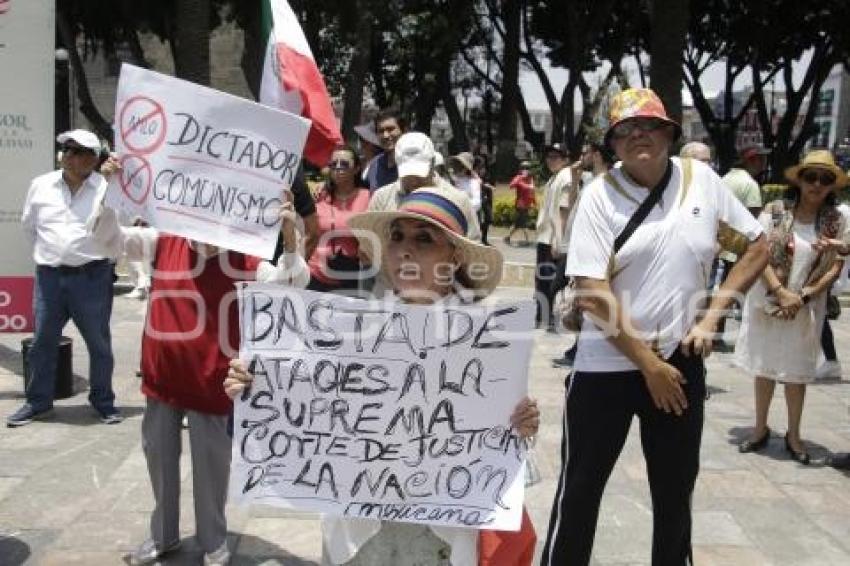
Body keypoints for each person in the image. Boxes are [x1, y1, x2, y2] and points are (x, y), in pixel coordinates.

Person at [225, 184, 540, 566]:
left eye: (424, 239)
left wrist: (522, 427)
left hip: (442, 538)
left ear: (454, 256)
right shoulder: (348, 324)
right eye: (396, 237)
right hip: (361, 539)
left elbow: (504, 458)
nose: (404, 249)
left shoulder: (489, 342)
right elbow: (300, 393)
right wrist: (257, 386)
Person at [541, 88, 767, 566]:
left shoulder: (700, 179)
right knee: (579, 490)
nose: (636, 136)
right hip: (606, 363)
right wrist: (648, 365)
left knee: (674, 493)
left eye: (647, 126)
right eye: (624, 130)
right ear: (613, 144)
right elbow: (590, 290)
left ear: (669, 132)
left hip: (680, 362)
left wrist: (712, 315)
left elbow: (758, 244)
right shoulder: (599, 197)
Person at [118, 188, 308, 566]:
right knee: (159, 458)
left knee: (211, 466)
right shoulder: (162, 241)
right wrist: (110, 189)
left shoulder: (245, 258)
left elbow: (291, 284)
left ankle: (213, 539)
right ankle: (163, 536)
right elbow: (108, 240)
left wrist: (290, 240)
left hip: (211, 380)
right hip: (162, 377)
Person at [735, 150, 850, 465]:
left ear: (832, 186)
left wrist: (803, 296)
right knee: (765, 367)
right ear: (799, 179)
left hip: (806, 307)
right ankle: (759, 428)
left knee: (796, 374)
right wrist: (780, 291)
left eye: (824, 179)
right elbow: (757, 252)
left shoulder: (836, 220)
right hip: (770, 301)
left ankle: (794, 434)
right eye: (810, 176)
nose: (816, 184)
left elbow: (836, 265)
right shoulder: (775, 211)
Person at [8, 129, 123, 427]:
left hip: (92, 278)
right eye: (68, 150)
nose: (70, 157)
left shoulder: (106, 187)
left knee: (99, 345)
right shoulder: (41, 185)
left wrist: (112, 184)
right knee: (42, 342)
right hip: (50, 278)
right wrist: (51, 258)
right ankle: (38, 403)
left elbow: (115, 229)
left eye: (79, 152)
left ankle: (103, 402)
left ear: (93, 159)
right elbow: (29, 227)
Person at [552, 142, 614, 368]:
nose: (581, 156)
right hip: (574, 246)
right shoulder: (590, 181)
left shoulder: (607, 183)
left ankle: (580, 347)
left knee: (578, 297)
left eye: (586, 152)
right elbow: (571, 205)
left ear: (597, 155)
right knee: (571, 295)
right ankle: (577, 346)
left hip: (586, 250)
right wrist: (576, 178)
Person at [306, 145, 371, 293]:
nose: (338, 168)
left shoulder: (367, 197)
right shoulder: (319, 195)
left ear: (356, 168)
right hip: (314, 275)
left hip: (348, 277)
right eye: (333, 164)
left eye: (344, 164)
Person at [534, 144, 572, 330]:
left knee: (549, 279)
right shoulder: (555, 177)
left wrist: (559, 239)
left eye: (556, 157)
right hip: (545, 236)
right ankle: (542, 315)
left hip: (552, 237)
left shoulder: (566, 177)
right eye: (549, 156)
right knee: (542, 278)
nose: (551, 160)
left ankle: (548, 317)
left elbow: (563, 210)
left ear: (565, 159)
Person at [366, 108, 407, 192]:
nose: (385, 135)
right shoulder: (375, 164)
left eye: (390, 129)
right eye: (381, 131)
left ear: (404, 130)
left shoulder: (415, 162)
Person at [504, 162, 535, 246]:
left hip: (527, 205)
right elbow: (511, 185)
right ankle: (527, 240)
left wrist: (533, 202)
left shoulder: (530, 178)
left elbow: (532, 191)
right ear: (521, 169)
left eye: (527, 169)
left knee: (518, 224)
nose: (526, 171)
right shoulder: (519, 177)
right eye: (524, 169)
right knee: (523, 223)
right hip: (520, 205)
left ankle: (507, 237)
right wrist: (520, 179)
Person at [450, 151, 482, 217]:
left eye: (460, 166)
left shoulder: (473, 182)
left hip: (466, 216)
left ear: (466, 169)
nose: (457, 168)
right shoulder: (451, 180)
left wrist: (461, 205)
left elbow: (477, 203)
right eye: (456, 165)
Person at [475, 156, 495, 246]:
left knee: (488, 219)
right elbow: (479, 184)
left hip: (487, 198)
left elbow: (490, 182)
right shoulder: (473, 174)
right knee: (481, 221)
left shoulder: (486, 172)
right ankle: (480, 239)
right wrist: (485, 186)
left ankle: (484, 238)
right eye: (480, 165)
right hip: (480, 199)